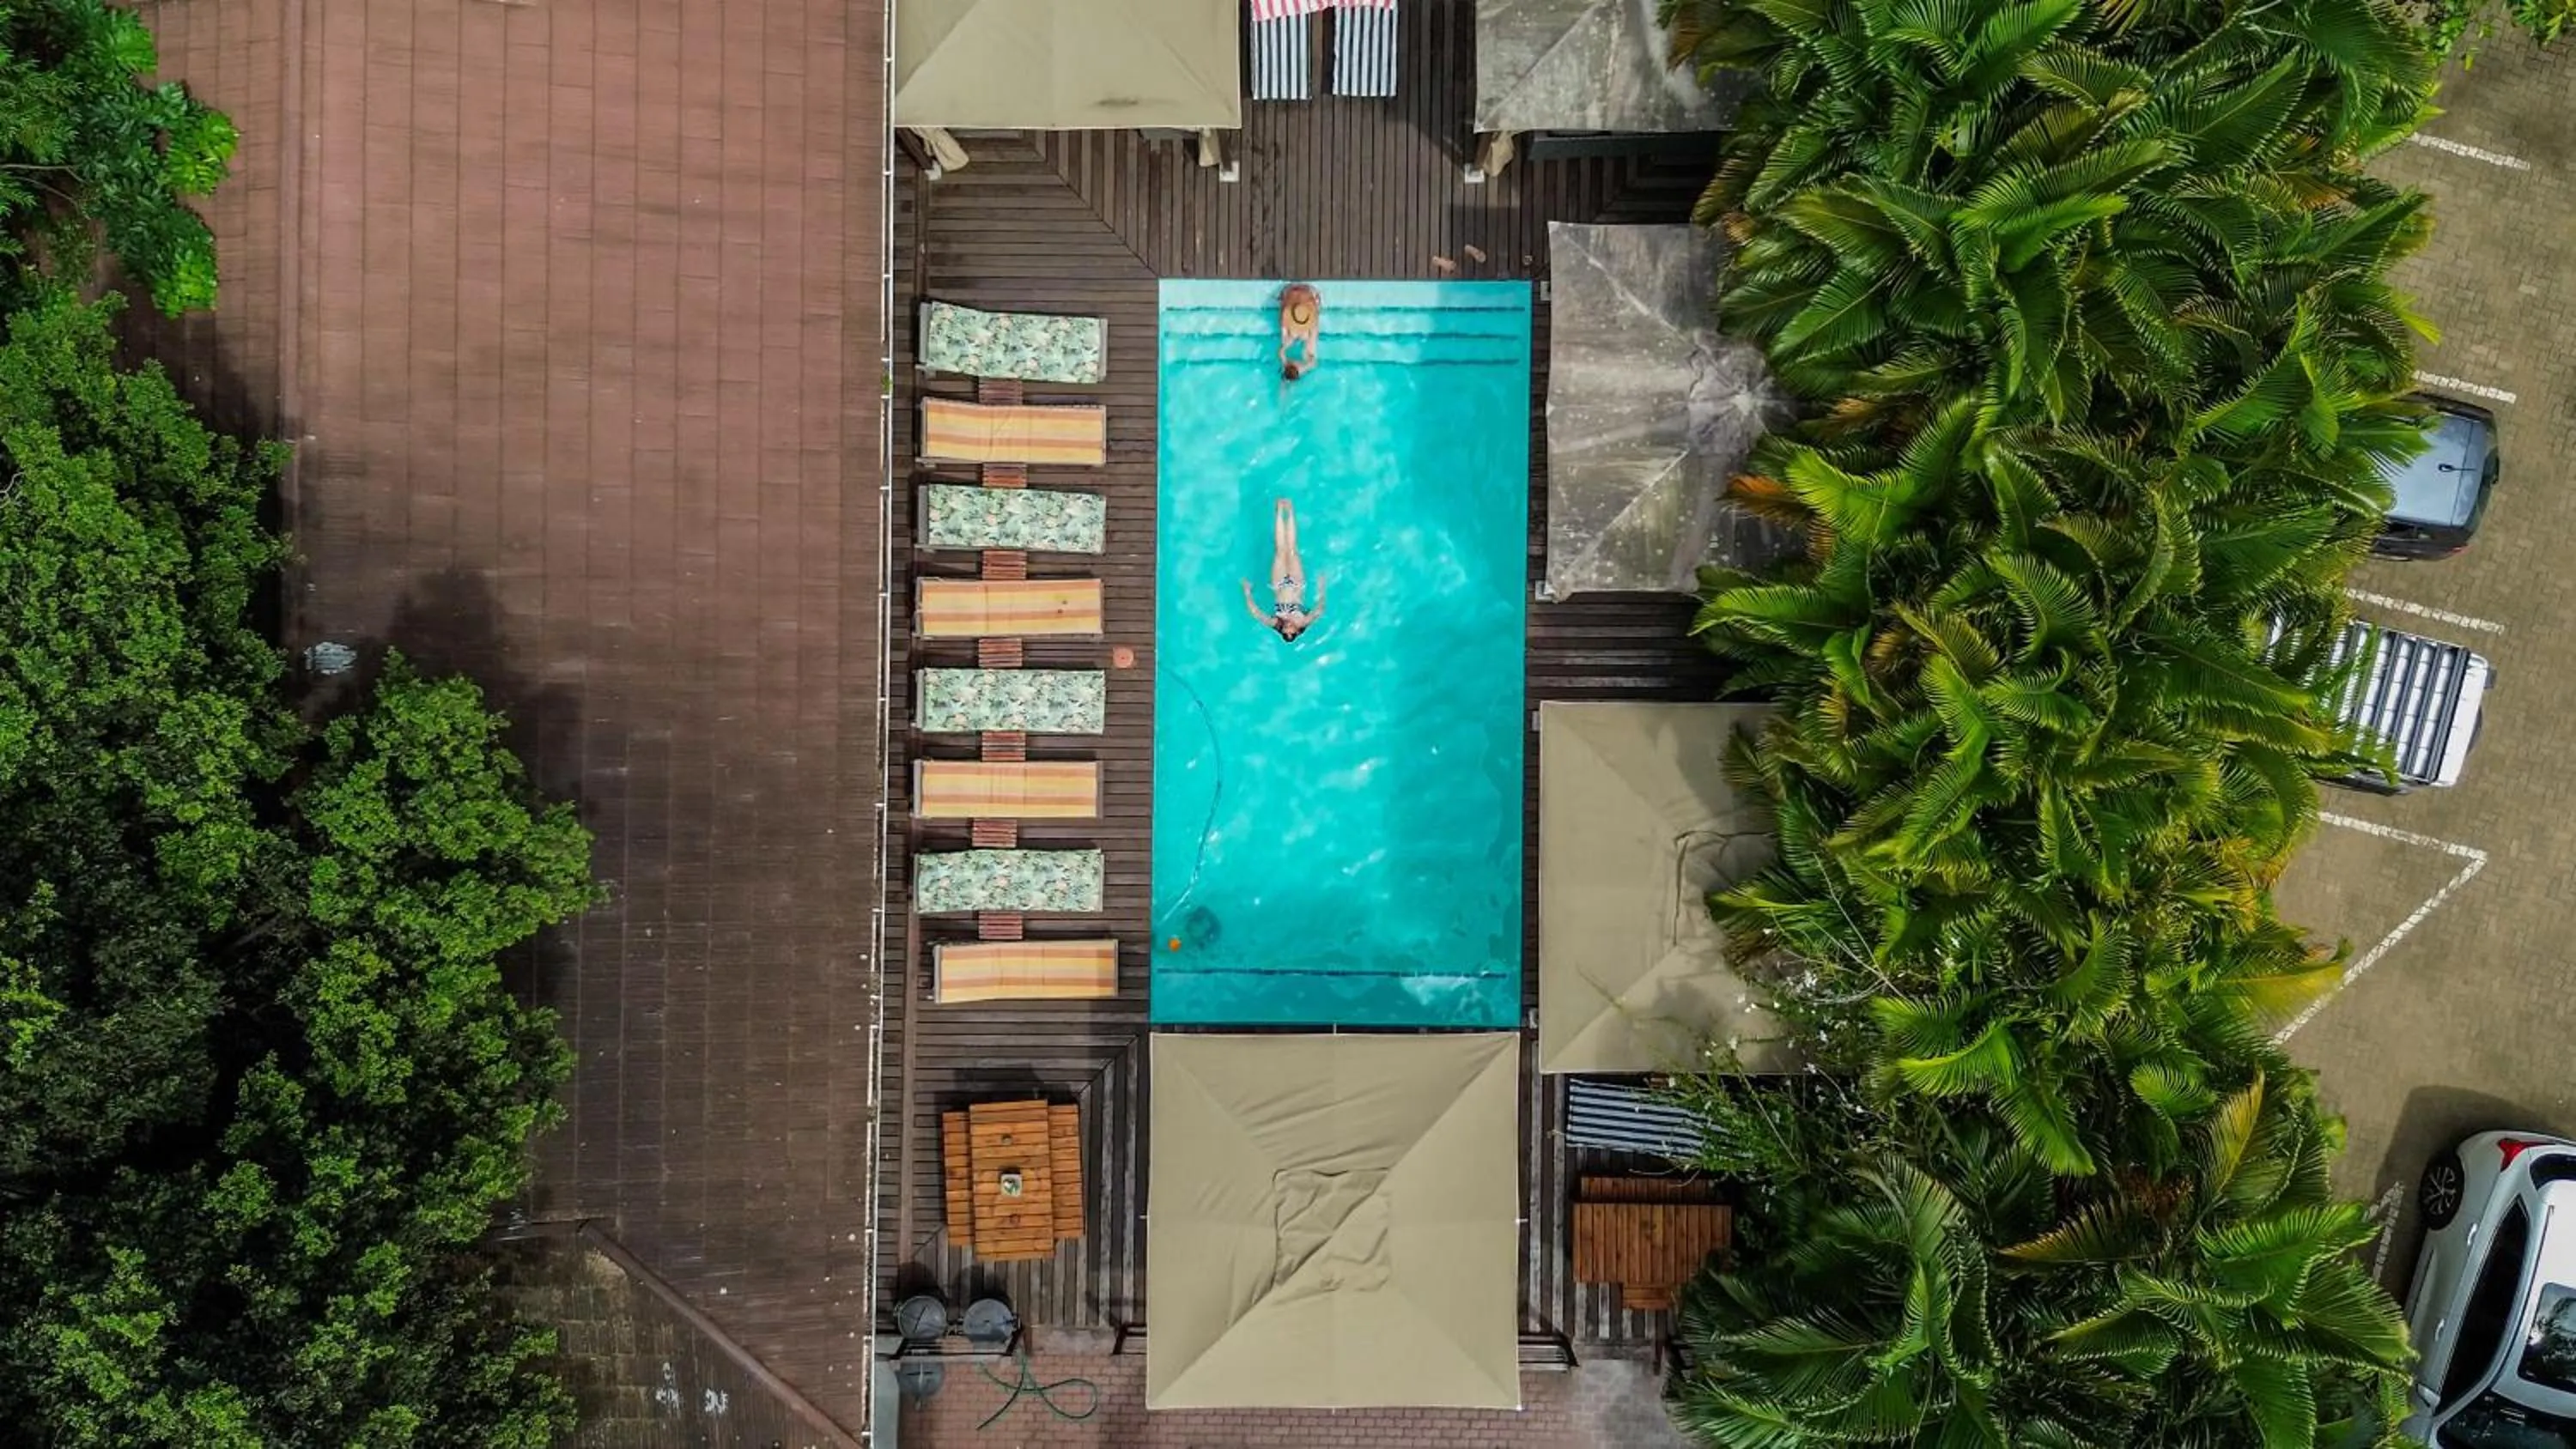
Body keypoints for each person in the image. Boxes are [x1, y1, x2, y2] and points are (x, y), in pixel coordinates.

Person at [1242, 498, 1328, 642]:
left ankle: (1279, 511)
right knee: (1293, 549)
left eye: (1285, 628)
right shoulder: (1302, 622)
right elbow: (1319, 610)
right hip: (1296, 584)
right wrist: (1321, 587)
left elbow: (1255, 612)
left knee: (1280, 550)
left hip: (1279, 583)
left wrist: (1247, 592)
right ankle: (1290, 510)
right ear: (1297, 631)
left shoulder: (1276, 623)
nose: (1288, 624)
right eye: (1291, 627)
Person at [1279, 282, 1321, 380]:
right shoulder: (1310, 327)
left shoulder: (1288, 323)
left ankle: (1290, 377)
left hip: (1290, 292)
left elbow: (1281, 352)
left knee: (1292, 336)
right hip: (1308, 291)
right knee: (1308, 339)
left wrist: (1287, 343)